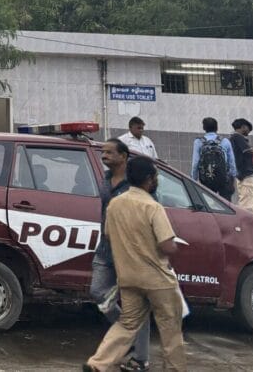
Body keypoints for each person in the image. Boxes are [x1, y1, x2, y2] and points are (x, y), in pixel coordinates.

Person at [85, 156, 186, 372]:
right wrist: (174, 249)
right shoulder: (153, 206)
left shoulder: (114, 204)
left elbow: (109, 236)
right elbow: (167, 246)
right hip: (158, 280)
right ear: (149, 179)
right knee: (170, 330)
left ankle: (97, 364)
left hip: (129, 279)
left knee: (127, 324)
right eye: (156, 176)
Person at [89, 139, 151, 372]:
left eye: (110, 152)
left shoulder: (135, 182)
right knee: (97, 292)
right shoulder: (104, 180)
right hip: (105, 249)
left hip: (130, 252)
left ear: (123, 156)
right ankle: (126, 334)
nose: (104, 155)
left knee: (137, 305)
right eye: (103, 152)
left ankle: (140, 358)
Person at [191, 117, 237, 200]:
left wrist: (194, 179)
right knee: (226, 205)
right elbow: (231, 162)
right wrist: (232, 177)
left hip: (206, 179)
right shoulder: (225, 141)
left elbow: (195, 163)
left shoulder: (198, 142)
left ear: (204, 128)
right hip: (224, 179)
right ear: (217, 128)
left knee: (209, 204)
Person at [229, 118, 253, 212]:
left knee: (244, 197)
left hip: (240, 172)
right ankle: (248, 222)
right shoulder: (238, 137)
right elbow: (248, 151)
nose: (248, 132)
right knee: (248, 200)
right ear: (243, 127)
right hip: (246, 172)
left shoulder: (232, 139)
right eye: (248, 129)